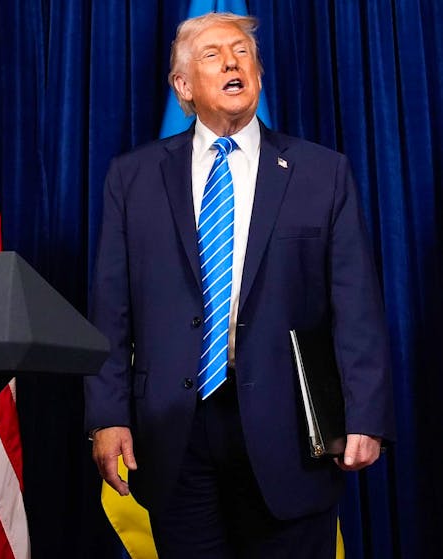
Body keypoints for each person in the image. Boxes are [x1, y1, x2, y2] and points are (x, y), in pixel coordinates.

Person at [85, 12, 394, 559]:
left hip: (291, 433)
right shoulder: (132, 177)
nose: (232, 62)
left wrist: (365, 414)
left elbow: (357, 307)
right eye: (213, 55)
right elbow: (110, 310)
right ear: (183, 86)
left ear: (258, 73)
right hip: (174, 432)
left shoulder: (322, 172)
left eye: (242, 52)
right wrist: (107, 416)